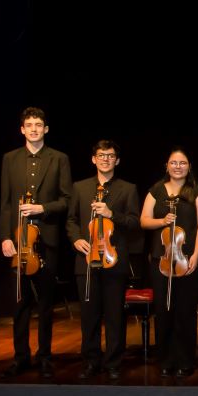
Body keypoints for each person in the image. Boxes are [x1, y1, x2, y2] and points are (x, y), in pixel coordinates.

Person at [0, 107, 72, 378]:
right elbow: (6, 203)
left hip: (47, 238)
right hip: (18, 240)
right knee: (19, 302)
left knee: (45, 304)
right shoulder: (9, 159)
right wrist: (5, 237)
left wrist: (43, 208)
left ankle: (45, 356)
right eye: (28, 124)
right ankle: (21, 356)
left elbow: (66, 200)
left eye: (38, 124)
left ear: (46, 129)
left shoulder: (59, 159)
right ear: (21, 129)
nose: (33, 129)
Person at [67, 140, 139, 380]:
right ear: (93, 159)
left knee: (115, 315)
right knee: (89, 315)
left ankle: (113, 363)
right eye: (101, 155)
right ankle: (90, 361)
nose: (105, 159)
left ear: (117, 160)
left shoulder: (128, 189)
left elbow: (133, 222)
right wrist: (76, 239)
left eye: (110, 156)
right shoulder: (80, 187)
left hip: (114, 259)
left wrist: (111, 214)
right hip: (86, 259)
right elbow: (71, 220)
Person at [140, 146, 198, 378]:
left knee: (185, 311)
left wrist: (196, 256)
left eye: (182, 163)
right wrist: (161, 221)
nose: (178, 166)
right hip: (161, 260)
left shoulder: (197, 192)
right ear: (166, 166)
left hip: (186, 258)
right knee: (164, 309)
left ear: (189, 167)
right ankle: (166, 360)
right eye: (173, 162)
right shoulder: (156, 191)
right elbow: (143, 221)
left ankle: (186, 360)